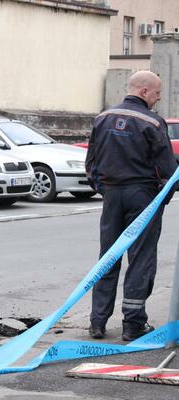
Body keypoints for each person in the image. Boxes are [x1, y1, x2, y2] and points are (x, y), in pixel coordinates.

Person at [85, 70, 177, 341]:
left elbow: (91, 163)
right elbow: (168, 170)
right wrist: (162, 199)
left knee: (108, 257)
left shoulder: (102, 118)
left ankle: (97, 323)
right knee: (141, 259)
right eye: (158, 93)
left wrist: (103, 189)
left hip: (112, 195)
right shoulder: (153, 122)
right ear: (145, 91)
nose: (158, 99)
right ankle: (133, 324)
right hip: (143, 196)